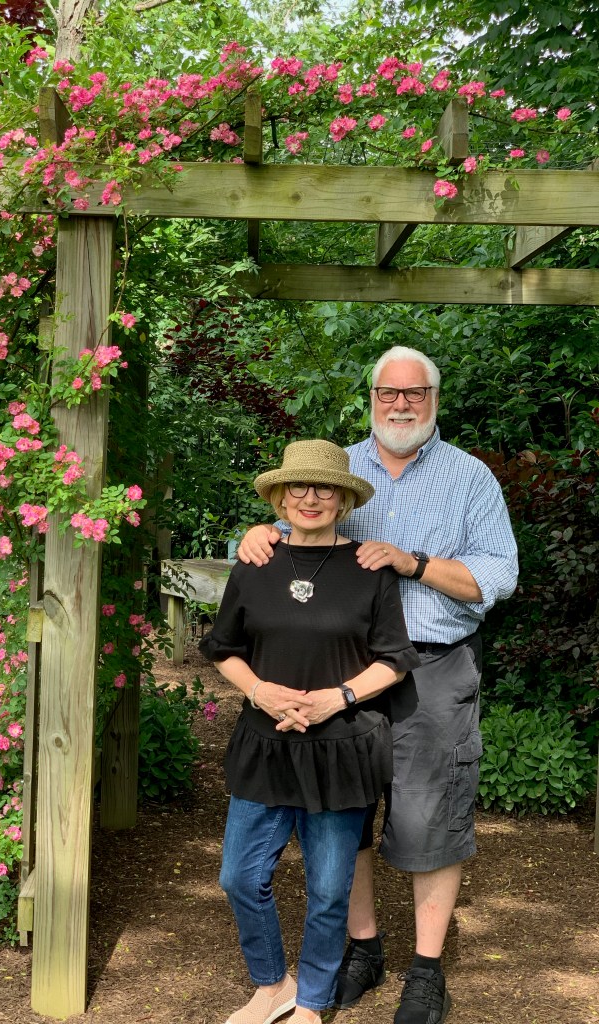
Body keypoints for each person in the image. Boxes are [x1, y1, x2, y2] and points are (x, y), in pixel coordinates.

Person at [237, 346, 518, 1024]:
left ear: (434, 400)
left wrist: (412, 562)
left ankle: (426, 971)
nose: (400, 404)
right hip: (342, 670)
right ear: (371, 399)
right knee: (344, 815)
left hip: (433, 667)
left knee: (429, 817)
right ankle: (364, 948)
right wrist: (257, 532)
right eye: (388, 392)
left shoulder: (470, 477)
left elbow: (498, 576)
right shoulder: (342, 468)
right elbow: (295, 531)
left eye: (414, 393)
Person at [200, 439, 420, 1024]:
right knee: (239, 877)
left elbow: (394, 659)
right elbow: (223, 648)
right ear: (279, 497)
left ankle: (313, 1001)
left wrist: (336, 698)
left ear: (343, 500)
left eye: (325, 487)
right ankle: (273, 985)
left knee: (327, 890)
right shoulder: (255, 562)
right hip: (265, 743)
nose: (310, 497)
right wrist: (260, 691)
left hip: (340, 748)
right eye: (297, 486)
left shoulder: (369, 570)